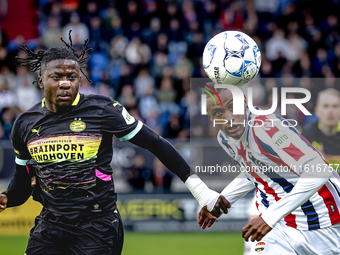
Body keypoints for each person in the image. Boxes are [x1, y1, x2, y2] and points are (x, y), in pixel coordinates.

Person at [0, 32, 219, 255]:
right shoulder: (24, 124)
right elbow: (23, 180)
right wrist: (7, 197)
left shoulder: (102, 110)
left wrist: (201, 192)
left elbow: (156, 144)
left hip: (97, 225)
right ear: (41, 81)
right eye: (56, 77)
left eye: (72, 77)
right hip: (51, 225)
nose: (65, 83)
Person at [198, 87, 340, 255]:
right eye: (218, 113)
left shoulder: (267, 127)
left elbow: (319, 171)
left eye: (232, 108)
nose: (229, 119)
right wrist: (224, 198)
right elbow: (256, 170)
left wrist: (269, 217)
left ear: (244, 102)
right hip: (278, 224)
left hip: (321, 220)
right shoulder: (225, 138)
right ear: (210, 117)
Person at [302, 88, 340, 169]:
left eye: (335, 106)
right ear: (317, 111)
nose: (330, 110)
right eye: (325, 106)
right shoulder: (307, 132)